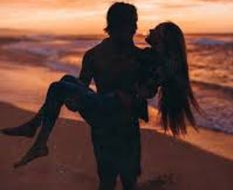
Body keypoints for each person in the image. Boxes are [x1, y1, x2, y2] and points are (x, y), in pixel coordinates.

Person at [1, 10, 200, 189]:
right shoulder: (101, 56)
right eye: (134, 24)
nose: (140, 29)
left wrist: (135, 95)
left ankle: (36, 133)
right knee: (64, 83)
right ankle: (36, 135)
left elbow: (155, 83)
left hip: (119, 119)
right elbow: (84, 86)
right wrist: (73, 101)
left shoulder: (148, 58)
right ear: (120, 27)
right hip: (105, 114)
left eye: (151, 29)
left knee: (124, 181)